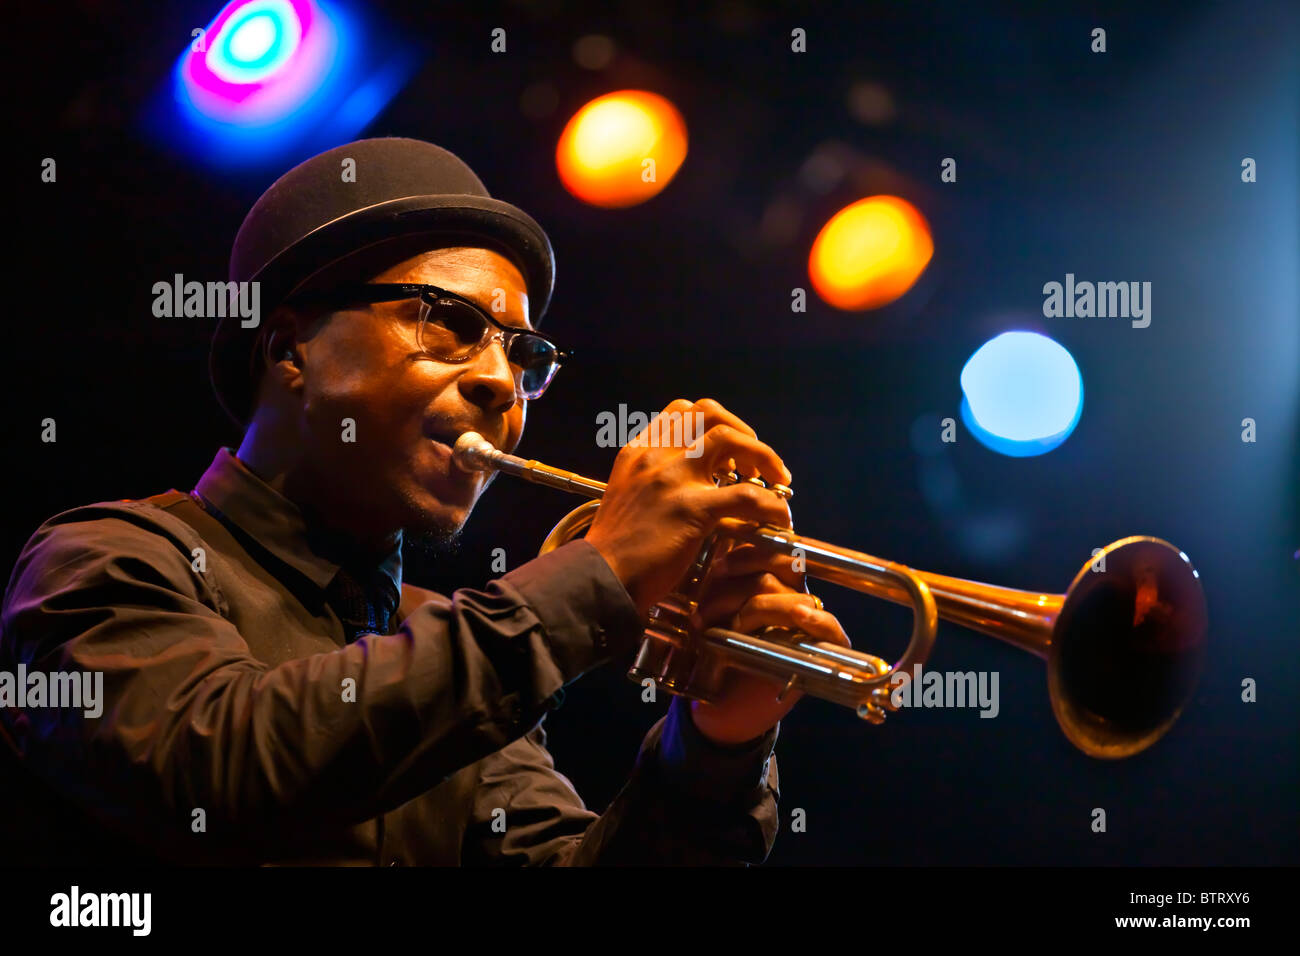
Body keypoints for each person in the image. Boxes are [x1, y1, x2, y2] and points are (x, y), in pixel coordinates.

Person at [0, 138, 848, 866]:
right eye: (448, 321)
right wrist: (603, 572)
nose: (498, 382)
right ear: (292, 349)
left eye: (525, 356)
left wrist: (715, 745)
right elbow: (217, 775)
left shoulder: (451, 657)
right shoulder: (107, 560)